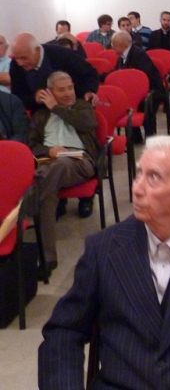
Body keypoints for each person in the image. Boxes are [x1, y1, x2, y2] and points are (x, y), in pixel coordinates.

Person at [39, 135, 170, 390]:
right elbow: (64, 331)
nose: (137, 188)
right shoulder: (104, 248)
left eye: (154, 177)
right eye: (139, 174)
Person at [27, 72, 101, 275]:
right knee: (47, 194)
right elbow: (31, 145)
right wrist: (48, 151)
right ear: (49, 92)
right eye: (62, 90)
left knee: (52, 172)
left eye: (70, 87)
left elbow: (87, 124)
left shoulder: (82, 106)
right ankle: (48, 258)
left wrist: (56, 108)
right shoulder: (41, 115)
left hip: (79, 158)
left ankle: (26, 206)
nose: (69, 93)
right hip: (48, 162)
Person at [10, 33, 99, 113]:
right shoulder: (16, 65)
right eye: (16, 58)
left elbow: (90, 73)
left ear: (37, 50)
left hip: (73, 112)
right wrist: (34, 99)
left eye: (24, 58)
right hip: (42, 116)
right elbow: (17, 97)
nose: (19, 63)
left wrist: (89, 90)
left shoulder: (62, 55)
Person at [111, 31, 166, 137]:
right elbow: (115, 73)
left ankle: (150, 135)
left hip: (151, 90)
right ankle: (134, 136)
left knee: (143, 103)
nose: (112, 47)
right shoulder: (121, 57)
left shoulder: (138, 54)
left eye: (113, 44)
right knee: (124, 101)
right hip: (133, 91)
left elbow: (144, 75)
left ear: (122, 45)